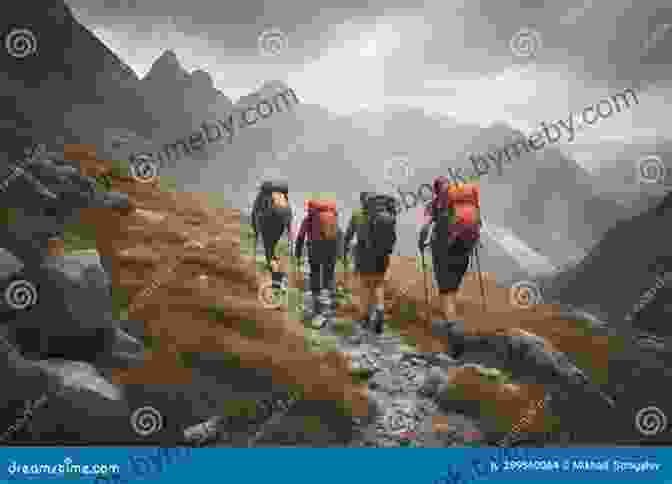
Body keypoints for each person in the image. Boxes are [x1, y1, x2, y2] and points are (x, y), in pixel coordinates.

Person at [418, 175, 481, 322]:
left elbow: (425, 226)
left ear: (435, 190)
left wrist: (421, 242)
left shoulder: (434, 204)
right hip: (464, 245)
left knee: (445, 287)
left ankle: (451, 322)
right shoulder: (465, 201)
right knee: (453, 282)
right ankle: (450, 312)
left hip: (442, 248)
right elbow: (478, 222)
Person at [344, 192, 398, 334]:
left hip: (364, 254)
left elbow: (349, 235)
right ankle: (380, 308)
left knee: (365, 285)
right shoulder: (386, 215)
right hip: (382, 255)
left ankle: (365, 317)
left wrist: (344, 248)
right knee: (378, 283)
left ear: (363, 202)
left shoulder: (357, 214)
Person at [294, 199, 344, 328]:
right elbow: (339, 235)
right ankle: (326, 308)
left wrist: (298, 255)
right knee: (328, 277)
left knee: (315, 275)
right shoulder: (333, 219)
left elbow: (300, 237)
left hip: (315, 250)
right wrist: (340, 254)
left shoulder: (308, 220)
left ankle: (318, 310)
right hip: (331, 250)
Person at [251, 180, 292, 289]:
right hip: (281, 230)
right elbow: (289, 215)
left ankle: (276, 279)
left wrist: (256, 231)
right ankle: (277, 277)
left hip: (268, 228)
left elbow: (254, 213)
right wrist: (289, 234)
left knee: (269, 254)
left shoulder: (262, 196)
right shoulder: (283, 198)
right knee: (275, 254)